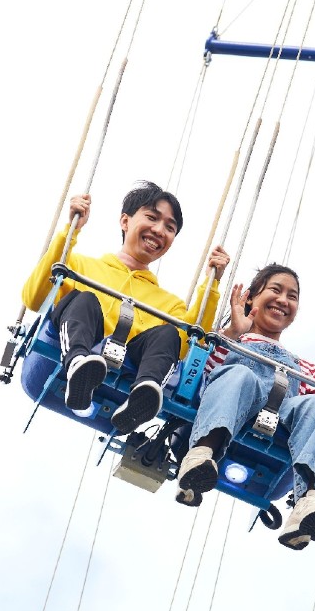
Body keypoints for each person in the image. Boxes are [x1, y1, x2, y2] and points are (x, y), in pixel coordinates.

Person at [174, 264, 315, 550]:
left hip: (281, 420)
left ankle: (307, 499)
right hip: (235, 404)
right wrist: (233, 334)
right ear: (250, 297)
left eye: (292, 296)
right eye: (275, 290)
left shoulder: (304, 367)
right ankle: (202, 455)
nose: (284, 300)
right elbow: (201, 375)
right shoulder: (232, 339)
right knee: (240, 374)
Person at [22, 181, 229, 434]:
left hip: (131, 358)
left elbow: (190, 346)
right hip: (75, 342)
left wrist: (212, 284)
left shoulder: (170, 304)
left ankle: (144, 394)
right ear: (125, 221)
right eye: (152, 218)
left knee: (168, 334)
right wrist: (70, 230)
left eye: (169, 227)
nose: (159, 230)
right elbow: (34, 298)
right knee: (85, 299)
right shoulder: (78, 265)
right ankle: (78, 365)